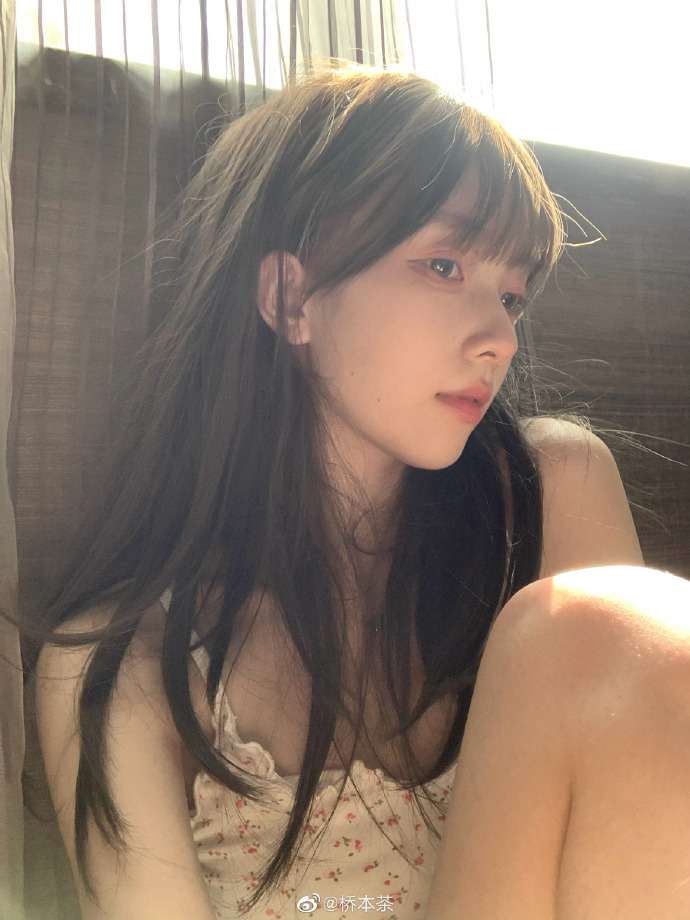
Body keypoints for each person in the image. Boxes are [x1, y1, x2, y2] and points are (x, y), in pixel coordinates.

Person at [30, 64, 690, 920]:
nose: (499, 337)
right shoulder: (124, 667)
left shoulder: (550, 496)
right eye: (444, 264)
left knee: (595, 626)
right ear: (291, 296)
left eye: (512, 295)